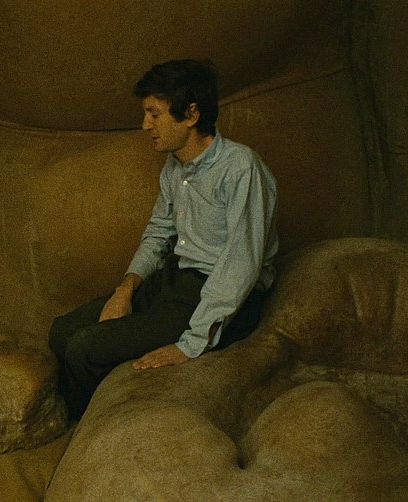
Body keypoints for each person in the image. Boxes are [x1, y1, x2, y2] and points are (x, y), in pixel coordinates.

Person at [48, 59, 279, 420]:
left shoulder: (240, 168)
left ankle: (79, 428)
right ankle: (75, 409)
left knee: (85, 349)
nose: (145, 125)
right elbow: (158, 234)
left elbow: (240, 265)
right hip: (176, 278)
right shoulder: (175, 166)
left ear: (191, 114)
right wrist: (124, 291)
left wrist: (190, 344)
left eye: (154, 114)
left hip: (220, 292)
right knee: (61, 332)